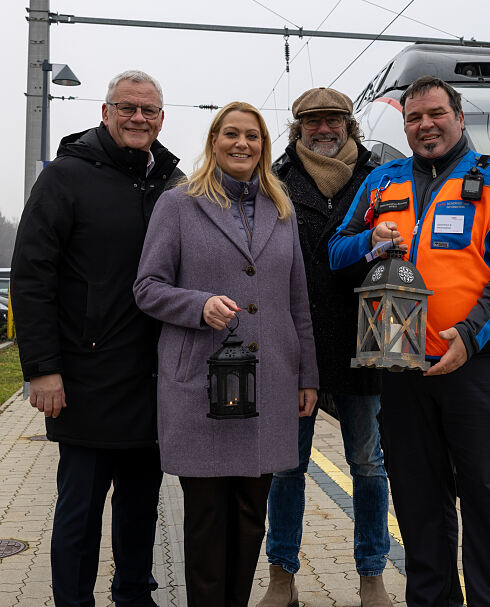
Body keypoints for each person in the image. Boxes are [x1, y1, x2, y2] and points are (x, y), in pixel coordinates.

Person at [329, 76, 490, 607]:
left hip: (479, 369)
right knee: (419, 504)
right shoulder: (382, 182)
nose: (425, 125)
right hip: (401, 367)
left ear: (460, 117)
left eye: (435, 114)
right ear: (404, 126)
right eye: (413, 118)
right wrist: (370, 240)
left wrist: (470, 336)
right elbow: (336, 252)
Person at [134, 101, 319, 607]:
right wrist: (197, 305)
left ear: (264, 146)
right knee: (208, 518)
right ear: (213, 141)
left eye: (253, 136)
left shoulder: (282, 210)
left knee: (249, 517)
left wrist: (308, 377)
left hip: (270, 385)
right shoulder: (179, 205)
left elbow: (298, 301)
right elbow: (146, 287)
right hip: (201, 385)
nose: (242, 144)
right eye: (231, 134)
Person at [12, 70, 182, 607]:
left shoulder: (171, 184)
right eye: (126, 108)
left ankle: (134, 593)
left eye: (148, 110)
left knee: (140, 504)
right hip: (84, 377)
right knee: (80, 508)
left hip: (152, 375)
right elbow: (32, 272)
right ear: (104, 113)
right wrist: (41, 367)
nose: (138, 118)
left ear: (161, 118)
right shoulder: (66, 177)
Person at [257, 87, 388, 607]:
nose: (324, 129)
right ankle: (282, 576)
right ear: (299, 128)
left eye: (334, 120)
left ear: (348, 124)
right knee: (287, 465)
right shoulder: (277, 179)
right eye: (313, 122)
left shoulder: (379, 176)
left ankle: (372, 574)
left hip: (370, 337)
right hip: (299, 340)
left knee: (368, 462)